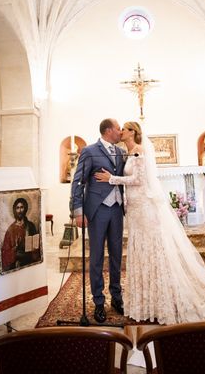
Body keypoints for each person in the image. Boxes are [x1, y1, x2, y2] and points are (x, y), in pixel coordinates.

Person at [94, 121, 205, 324]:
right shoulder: (128, 153)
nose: (121, 131)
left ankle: (161, 298)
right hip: (134, 209)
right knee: (140, 249)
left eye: (124, 129)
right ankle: (146, 299)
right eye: (119, 128)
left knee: (152, 248)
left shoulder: (139, 151)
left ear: (132, 133)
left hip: (145, 208)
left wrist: (111, 179)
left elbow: (139, 180)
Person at [70, 118, 125, 323]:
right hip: (97, 210)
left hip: (117, 209)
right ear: (109, 130)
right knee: (96, 257)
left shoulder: (121, 152)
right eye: (118, 128)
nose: (120, 132)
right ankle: (99, 301)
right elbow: (78, 181)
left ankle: (117, 298)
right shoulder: (89, 151)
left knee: (117, 255)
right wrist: (77, 210)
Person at [1, 197, 39, 272]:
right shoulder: (10, 229)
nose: (20, 210)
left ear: (25, 209)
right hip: (15, 262)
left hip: (29, 260)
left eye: (22, 207)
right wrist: (15, 249)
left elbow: (36, 243)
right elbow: (5, 252)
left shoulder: (30, 226)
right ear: (15, 210)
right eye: (17, 208)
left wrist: (35, 248)